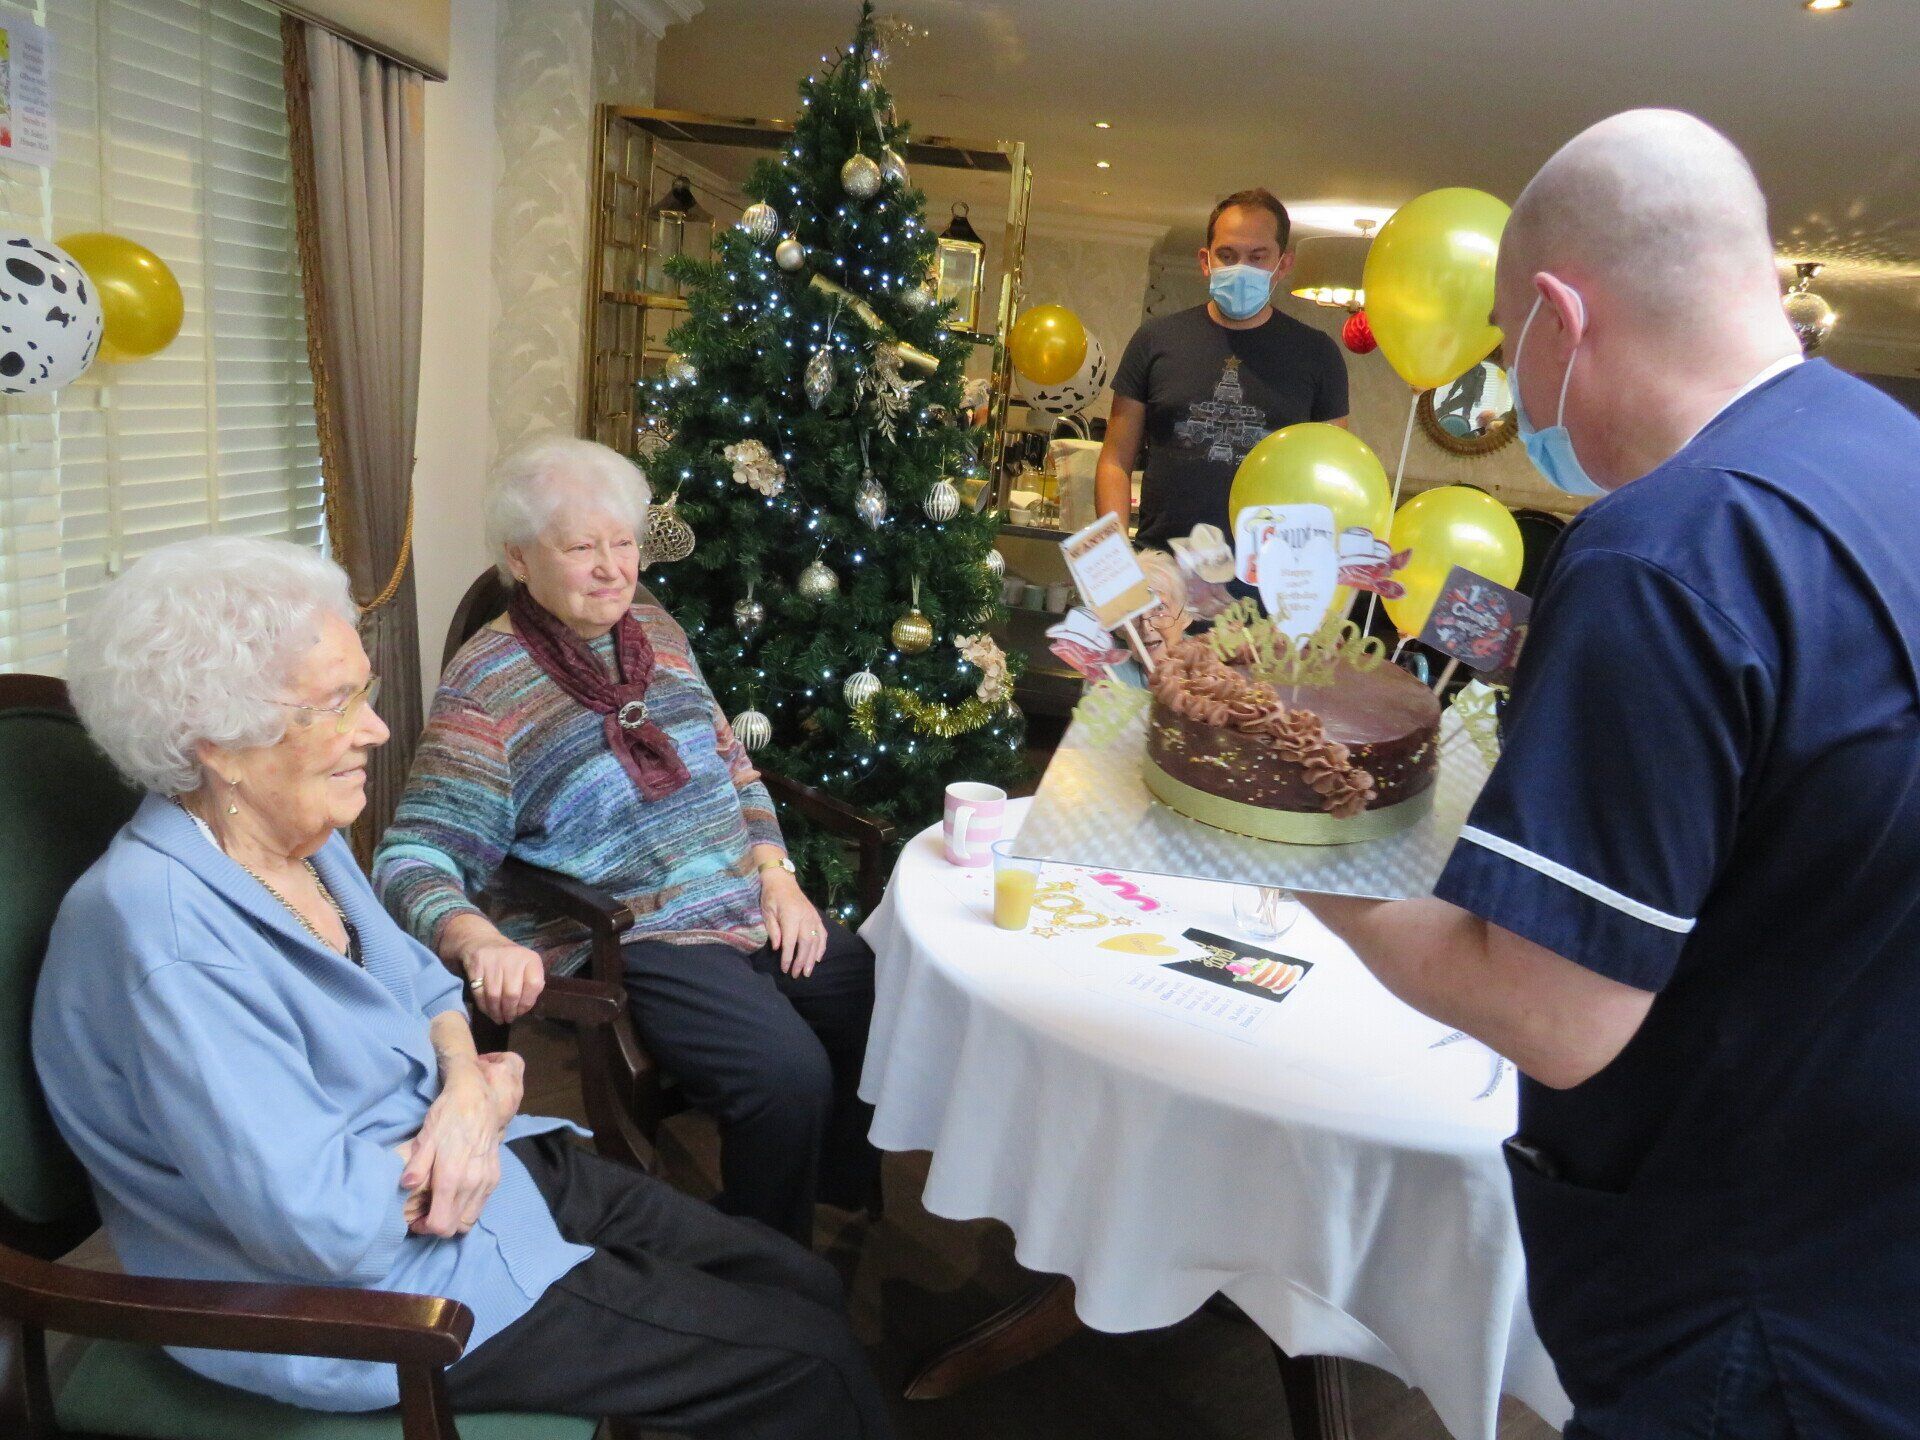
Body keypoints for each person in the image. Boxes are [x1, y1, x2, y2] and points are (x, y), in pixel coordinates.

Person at [1296, 109, 1920, 1437]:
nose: (1519, 408)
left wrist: (1289, 846)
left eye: (1510, 357)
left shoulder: (1665, 553)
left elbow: (1556, 1015)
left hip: (1748, 1308)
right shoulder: (1884, 460)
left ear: (1558, 318)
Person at [33, 535, 893, 1438]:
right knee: (806, 1362)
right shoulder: (167, 944)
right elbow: (324, 1226)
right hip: (379, 1300)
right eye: (337, 704)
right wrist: (476, 1099)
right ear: (216, 743)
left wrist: (462, 1087)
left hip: (472, 1169)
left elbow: (419, 981)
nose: (377, 727)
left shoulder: (296, 833)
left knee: (793, 1277)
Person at [375, 436, 879, 1247]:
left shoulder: (657, 627)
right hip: (637, 927)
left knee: (864, 985)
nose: (614, 567)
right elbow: (413, 854)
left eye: (624, 542)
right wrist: (473, 938)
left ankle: (838, 1192)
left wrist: (777, 874)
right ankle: (765, 1261)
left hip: (743, 891)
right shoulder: (488, 684)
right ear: (519, 558)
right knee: (783, 1074)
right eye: (581, 547)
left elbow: (730, 762)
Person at [1096, 187, 1349, 553]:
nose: (1241, 268)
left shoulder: (1318, 354)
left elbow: (1331, 480)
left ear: (1284, 264)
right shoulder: (1155, 340)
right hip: (1164, 576)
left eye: (1257, 257)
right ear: (1205, 260)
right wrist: (1115, 563)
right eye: (1227, 255)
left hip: (1269, 583)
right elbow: (1115, 461)